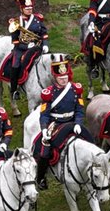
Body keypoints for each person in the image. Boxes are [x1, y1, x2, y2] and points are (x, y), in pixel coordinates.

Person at [32, 59, 87, 190]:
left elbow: (79, 110)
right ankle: (40, 178)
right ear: (55, 77)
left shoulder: (76, 89)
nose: (64, 79)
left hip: (73, 123)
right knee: (44, 151)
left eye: (65, 76)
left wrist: (79, 123)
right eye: (61, 77)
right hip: (55, 125)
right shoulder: (49, 93)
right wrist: (44, 129)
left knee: (89, 142)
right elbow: (44, 114)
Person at [4, 0, 48, 101]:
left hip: (37, 47)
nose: (29, 10)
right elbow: (15, 40)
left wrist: (46, 44)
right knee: (15, 65)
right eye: (26, 8)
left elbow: (44, 33)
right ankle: (14, 90)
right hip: (21, 49)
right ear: (21, 9)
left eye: (30, 8)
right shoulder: (16, 22)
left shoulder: (38, 19)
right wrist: (26, 46)